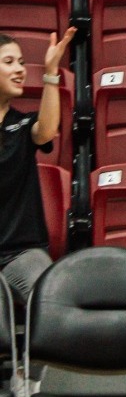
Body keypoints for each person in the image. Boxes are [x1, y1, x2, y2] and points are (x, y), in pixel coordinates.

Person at [0, 27, 73, 310]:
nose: (19, 69)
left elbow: (46, 131)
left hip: (23, 253)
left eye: (20, 62)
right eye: (8, 62)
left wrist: (51, 72)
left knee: (52, 300)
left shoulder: (22, 126)